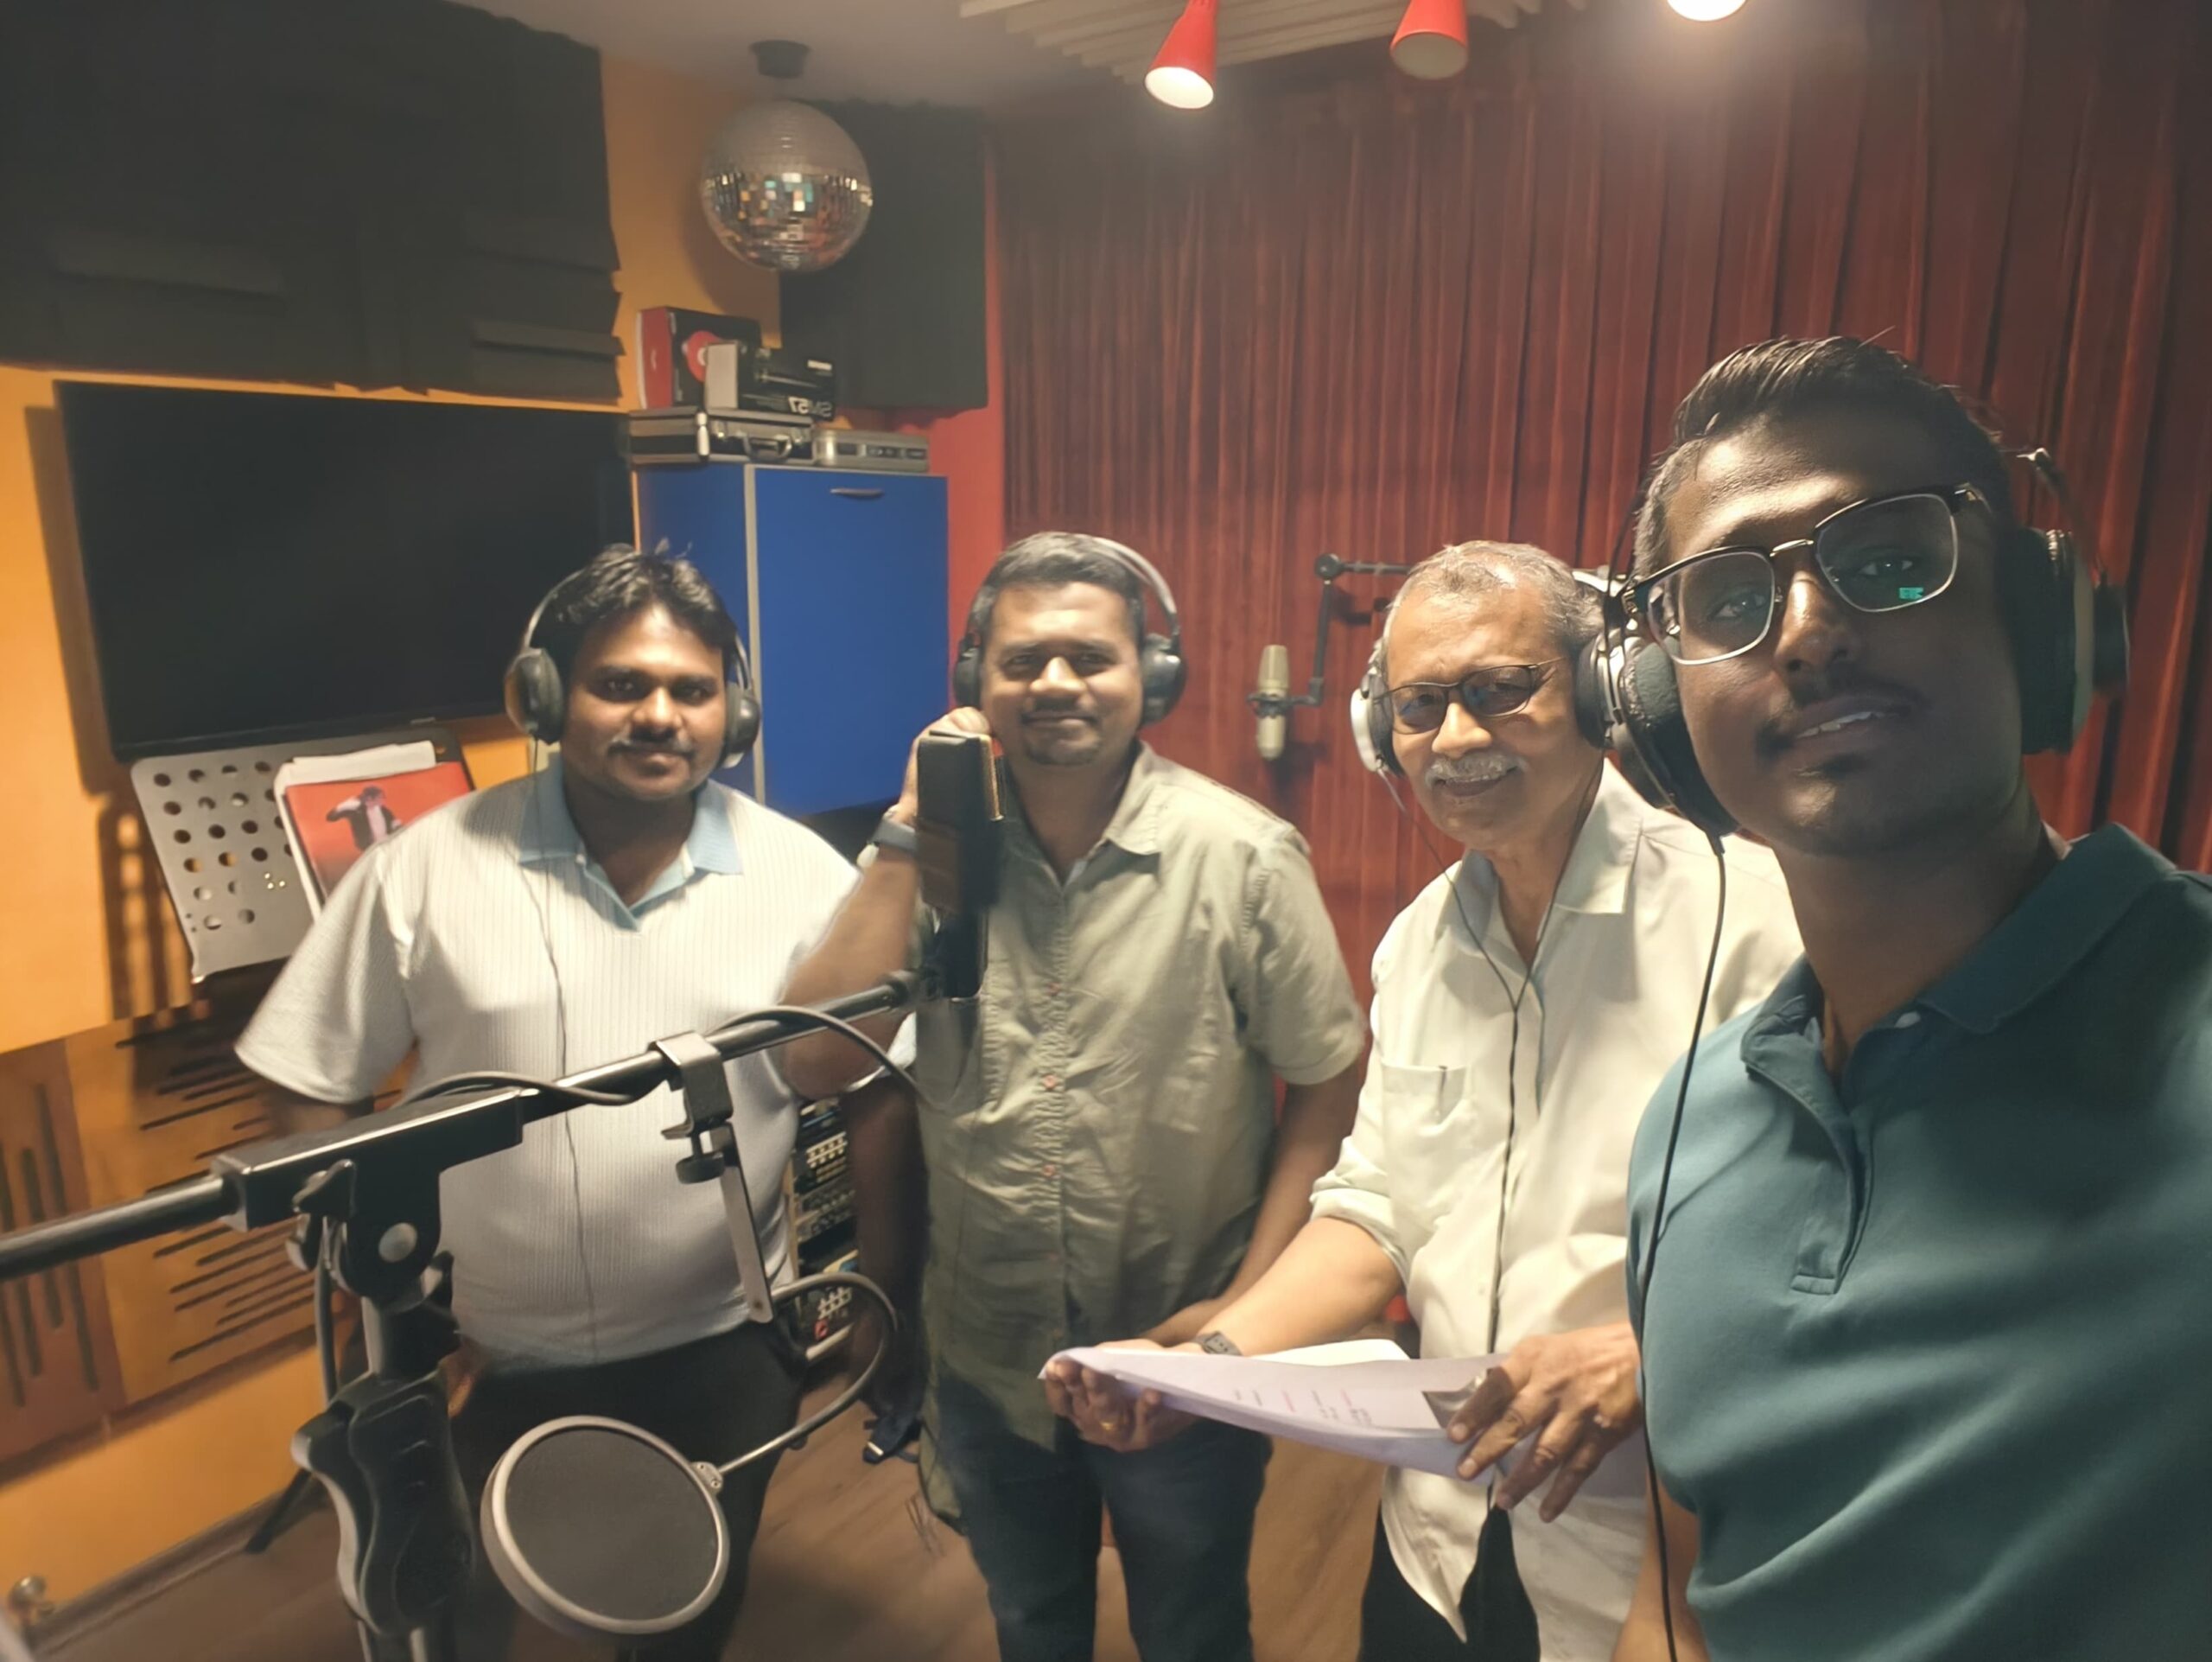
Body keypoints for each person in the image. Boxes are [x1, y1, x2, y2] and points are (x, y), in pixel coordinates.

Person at [1049, 543, 1801, 1661]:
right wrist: (1210, 1361)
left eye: (1499, 690)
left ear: (1602, 690)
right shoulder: (1420, 942)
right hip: (1435, 1544)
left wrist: (1653, 1355)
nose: (1453, 738)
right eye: (1420, 705)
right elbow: (1379, 1209)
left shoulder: (1762, 926)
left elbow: (1842, 1255)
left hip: (1647, 1564)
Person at [1609, 337, 2212, 1662]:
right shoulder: (1685, 1128)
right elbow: (1681, 1596)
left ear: (2038, 616)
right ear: (1659, 708)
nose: (1808, 631)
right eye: (1730, 597)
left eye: (1887, 559)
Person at [238, 546, 918, 1660]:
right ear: (545, 697)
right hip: (477, 1359)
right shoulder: (423, 871)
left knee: (681, 1622)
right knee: (451, 1623)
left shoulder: (803, 876)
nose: (659, 716)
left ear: (734, 713)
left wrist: (889, 1297)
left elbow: (871, 1089)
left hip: (722, 1351)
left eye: (691, 690)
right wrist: (382, 1298)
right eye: (620, 684)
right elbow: (308, 1080)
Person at [779, 532, 1368, 1662]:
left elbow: (1327, 1082)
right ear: (975, 682)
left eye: (1090, 658)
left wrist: (1242, 1313)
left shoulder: (1242, 857)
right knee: (1031, 1620)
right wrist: (906, 831)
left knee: (1192, 1624)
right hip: (986, 1353)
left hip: (1178, 1354)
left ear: (1151, 676)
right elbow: (814, 1064)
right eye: (1022, 660)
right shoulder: (927, 859)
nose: (1055, 683)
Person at [326, 782, 403, 850]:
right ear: (370, 798)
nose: (383, 799)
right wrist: (343, 806)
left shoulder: (384, 810)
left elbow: (393, 823)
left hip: (386, 845)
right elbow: (331, 818)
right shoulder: (356, 811)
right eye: (380, 797)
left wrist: (396, 826)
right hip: (368, 848)